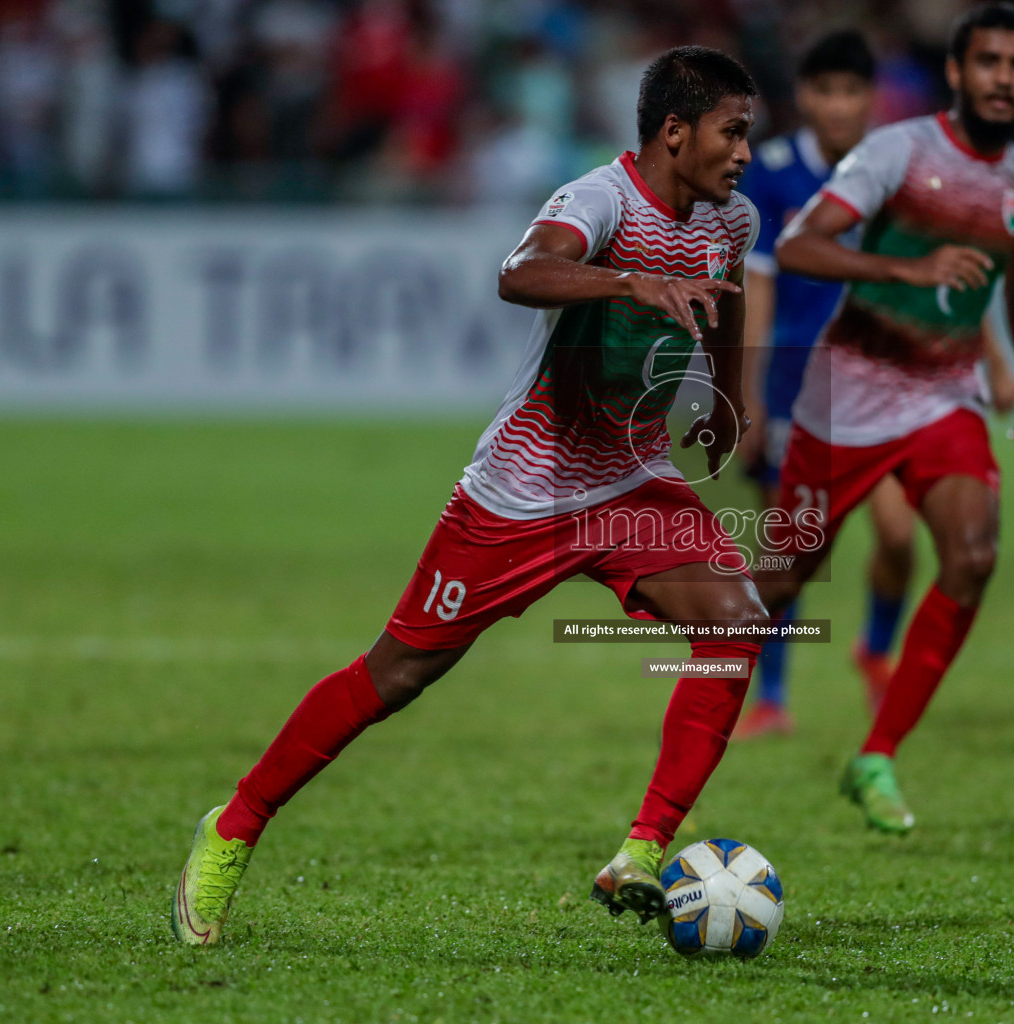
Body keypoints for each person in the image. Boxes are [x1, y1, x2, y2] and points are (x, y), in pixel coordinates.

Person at [172, 45, 765, 945]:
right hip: (523, 492)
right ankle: (235, 825)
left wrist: (727, 398)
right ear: (675, 133)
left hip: (633, 478)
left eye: (749, 133)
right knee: (395, 676)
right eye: (733, 131)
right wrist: (626, 278)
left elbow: (724, 303)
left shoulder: (732, 220)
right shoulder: (600, 200)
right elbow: (517, 271)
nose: (745, 152)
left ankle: (642, 851)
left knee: (736, 623)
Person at [756, 2, 1014, 834]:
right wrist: (911, 264)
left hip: (940, 397)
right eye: (989, 62)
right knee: (781, 581)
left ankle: (876, 753)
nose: (1005, 78)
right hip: (841, 396)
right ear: (957, 73)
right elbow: (792, 246)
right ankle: (694, 759)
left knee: (970, 553)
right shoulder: (900, 150)